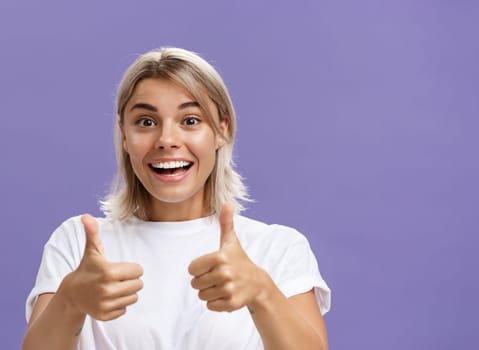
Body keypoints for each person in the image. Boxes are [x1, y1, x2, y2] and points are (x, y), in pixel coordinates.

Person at [21, 47, 331, 349]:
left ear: (222, 130)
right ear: (124, 135)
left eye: (191, 120)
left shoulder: (277, 248)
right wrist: (70, 300)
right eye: (146, 122)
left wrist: (262, 293)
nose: (167, 140)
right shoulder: (78, 243)